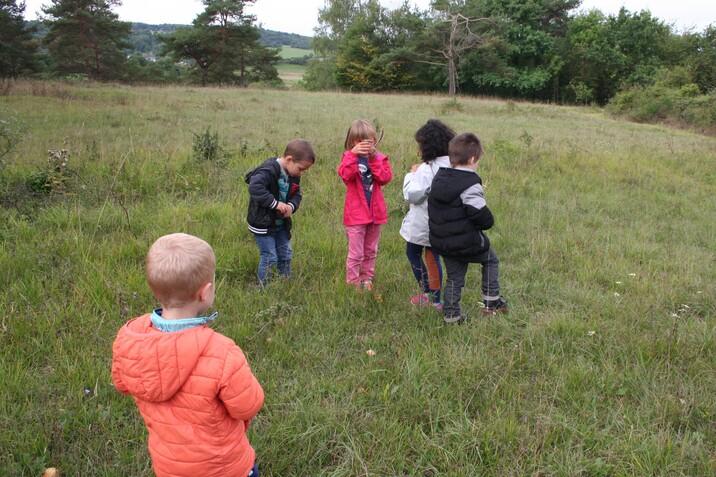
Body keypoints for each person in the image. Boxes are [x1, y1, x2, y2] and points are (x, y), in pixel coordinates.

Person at [111, 233, 264, 477]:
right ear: (205, 292)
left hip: (170, 467)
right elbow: (248, 406)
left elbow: (122, 383)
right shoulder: (221, 351)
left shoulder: (131, 339)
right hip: (225, 468)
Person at [428, 133, 508, 323]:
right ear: (472, 159)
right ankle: (491, 301)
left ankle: (451, 315)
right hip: (466, 242)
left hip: (443, 242)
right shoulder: (470, 183)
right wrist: (488, 220)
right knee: (491, 260)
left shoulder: (439, 178)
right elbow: (480, 215)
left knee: (455, 278)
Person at [399, 119, 455, 310]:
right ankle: (436, 298)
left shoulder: (425, 169)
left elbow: (412, 196)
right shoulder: (451, 164)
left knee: (413, 252)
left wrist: (411, 174)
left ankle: (430, 294)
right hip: (443, 222)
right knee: (433, 257)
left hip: (424, 223)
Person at [245, 139, 315, 286]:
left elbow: (297, 194)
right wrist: (275, 204)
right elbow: (255, 187)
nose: (301, 173)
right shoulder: (269, 170)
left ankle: (284, 282)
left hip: (281, 223)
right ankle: (265, 288)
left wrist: (291, 206)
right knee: (270, 257)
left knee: (286, 254)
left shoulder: (293, 174)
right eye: (301, 169)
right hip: (263, 223)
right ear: (289, 159)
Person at [337, 119, 393, 290]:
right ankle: (353, 282)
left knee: (370, 250)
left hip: (375, 214)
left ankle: (366, 278)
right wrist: (353, 155)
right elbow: (345, 175)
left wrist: (374, 159)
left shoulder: (379, 158)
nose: (364, 145)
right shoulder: (349, 158)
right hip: (356, 215)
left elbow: (385, 178)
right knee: (356, 253)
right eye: (359, 141)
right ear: (352, 142)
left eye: (369, 141)